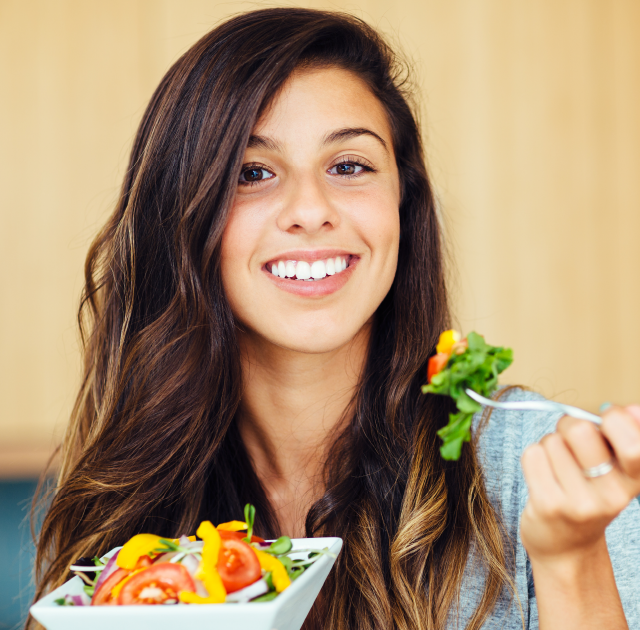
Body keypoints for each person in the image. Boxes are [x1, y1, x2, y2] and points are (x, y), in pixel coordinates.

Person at [32, 8, 640, 630]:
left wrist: (572, 558)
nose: (310, 210)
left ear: (403, 202)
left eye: (349, 166)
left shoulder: (544, 469)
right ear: (183, 221)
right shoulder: (130, 506)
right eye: (253, 173)